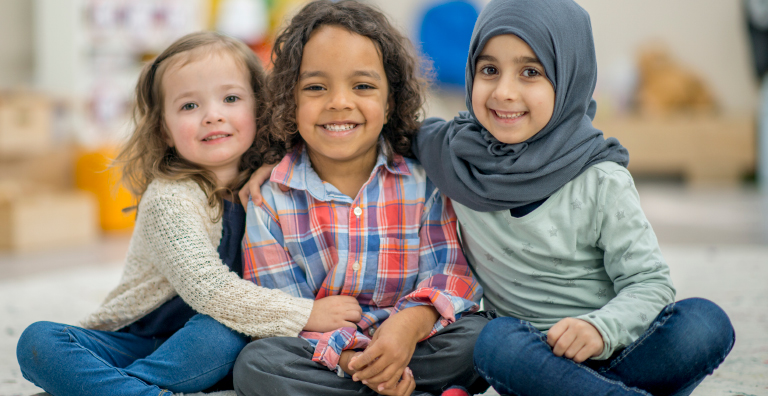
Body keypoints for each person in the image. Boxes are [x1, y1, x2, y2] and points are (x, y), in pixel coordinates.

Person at [243, 0, 736, 395]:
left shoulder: (598, 178)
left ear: (570, 79)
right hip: (512, 352)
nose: (504, 92)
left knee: (704, 324)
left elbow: (648, 285)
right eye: (488, 70)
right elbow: (363, 126)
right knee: (491, 340)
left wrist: (601, 330)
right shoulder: (452, 154)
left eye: (531, 72)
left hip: (609, 340)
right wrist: (273, 156)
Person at [16, 31, 361, 396]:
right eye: (189, 106)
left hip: (213, 340)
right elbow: (208, 289)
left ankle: (100, 388)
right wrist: (306, 314)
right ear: (164, 130)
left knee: (224, 333)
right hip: (139, 339)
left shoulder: (275, 177)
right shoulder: (170, 197)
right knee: (38, 341)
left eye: (230, 98)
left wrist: (277, 165)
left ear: (259, 109)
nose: (213, 116)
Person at [232, 2, 490, 396]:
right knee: (257, 365)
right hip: (326, 357)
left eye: (363, 86)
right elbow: (281, 313)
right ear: (291, 99)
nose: (339, 102)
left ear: (390, 102)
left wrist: (406, 329)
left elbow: (449, 275)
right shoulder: (270, 200)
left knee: (481, 339)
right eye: (316, 87)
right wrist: (353, 360)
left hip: (415, 345)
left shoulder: (423, 181)